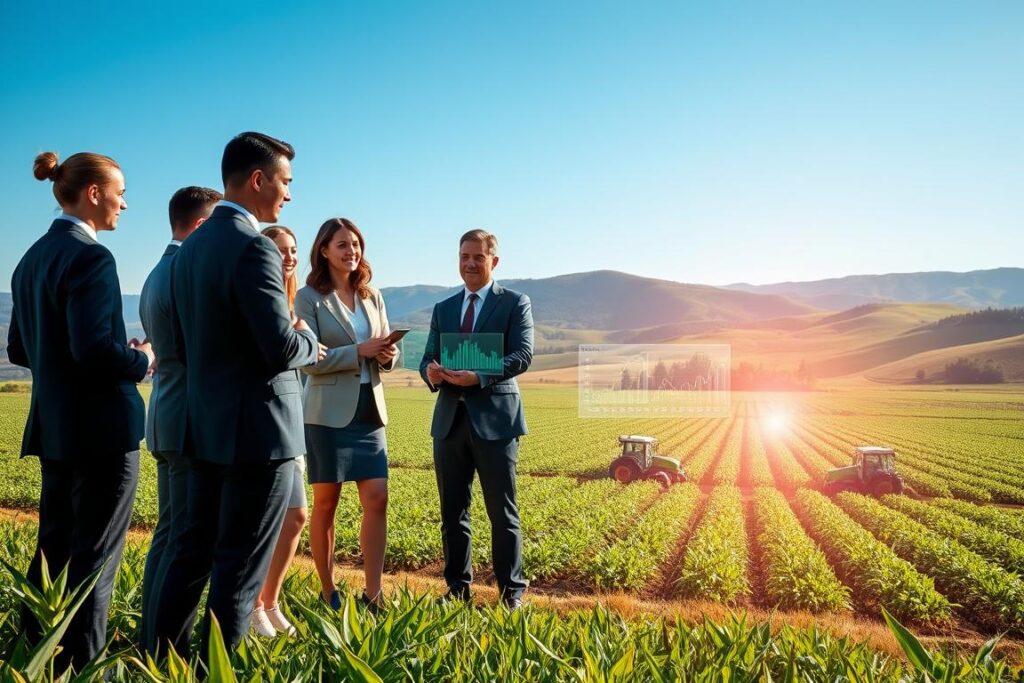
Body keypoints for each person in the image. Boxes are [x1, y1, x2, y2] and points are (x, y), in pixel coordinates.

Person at [150, 132, 324, 657]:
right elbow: (277, 347)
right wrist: (309, 340)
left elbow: (179, 343)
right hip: (257, 437)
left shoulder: (190, 248)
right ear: (257, 179)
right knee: (240, 574)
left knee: (190, 559)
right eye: (285, 181)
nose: (288, 195)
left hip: (200, 429)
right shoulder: (254, 248)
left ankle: (165, 663)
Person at [8, 151, 154, 670]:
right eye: (120, 192)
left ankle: (30, 657)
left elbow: (19, 351)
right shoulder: (93, 258)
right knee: (96, 563)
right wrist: (139, 359)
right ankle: (83, 668)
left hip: (55, 429)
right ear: (94, 194)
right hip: (102, 433)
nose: (125, 203)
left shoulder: (30, 259)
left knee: (53, 553)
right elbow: (93, 349)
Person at [418, 230, 533, 609]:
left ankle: (511, 593)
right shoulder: (443, 307)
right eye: (464, 256)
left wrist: (479, 376)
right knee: (452, 512)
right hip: (450, 420)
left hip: (496, 421)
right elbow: (427, 356)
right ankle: (456, 589)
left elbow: (522, 355)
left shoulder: (515, 303)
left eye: (478, 258)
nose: (470, 263)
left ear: (493, 262)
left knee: (502, 512)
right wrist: (430, 372)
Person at [294, 218, 398, 613]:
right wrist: (359, 351)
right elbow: (310, 359)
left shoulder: (373, 295)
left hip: (370, 409)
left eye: (355, 244)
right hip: (325, 414)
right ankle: (328, 589)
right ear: (324, 250)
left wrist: (387, 355)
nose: (351, 251)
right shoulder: (308, 298)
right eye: (342, 244)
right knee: (326, 504)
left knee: (378, 498)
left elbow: (384, 345)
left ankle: (374, 594)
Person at [137, 186, 222, 653]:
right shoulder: (186, 272)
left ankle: (150, 639)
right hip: (191, 420)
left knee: (167, 537)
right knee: (186, 541)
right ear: (204, 227)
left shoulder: (155, 272)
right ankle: (167, 650)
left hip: (165, 414)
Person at [250, 225, 308, 637]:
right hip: (266, 420)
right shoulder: (264, 299)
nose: (289, 257)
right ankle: (252, 606)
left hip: (293, 419)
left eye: (293, 250)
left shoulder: (290, 301)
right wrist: (303, 337)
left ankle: (270, 600)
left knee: (297, 515)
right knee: (266, 519)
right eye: (280, 250)